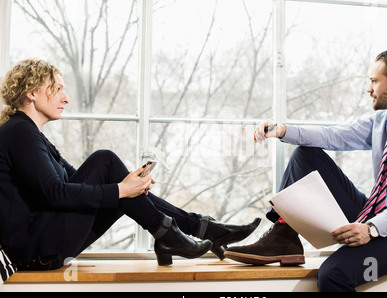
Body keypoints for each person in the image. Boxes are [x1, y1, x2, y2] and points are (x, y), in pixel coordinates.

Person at [0, 59, 260, 270]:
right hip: (36, 250)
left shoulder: (32, 135)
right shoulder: (19, 132)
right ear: (32, 93)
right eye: (57, 89)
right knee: (105, 160)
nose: (66, 98)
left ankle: (190, 230)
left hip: (46, 243)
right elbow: (56, 193)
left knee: (116, 177)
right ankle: (194, 230)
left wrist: (130, 185)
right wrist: (122, 190)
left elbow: (72, 181)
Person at [224, 50, 387, 291]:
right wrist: (282, 130)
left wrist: (371, 229)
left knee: (332, 274)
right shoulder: (382, 121)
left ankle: (290, 239)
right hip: (372, 211)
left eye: (373, 81)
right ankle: (282, 236)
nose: (368, 89)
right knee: (305, 154)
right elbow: (333, 135)